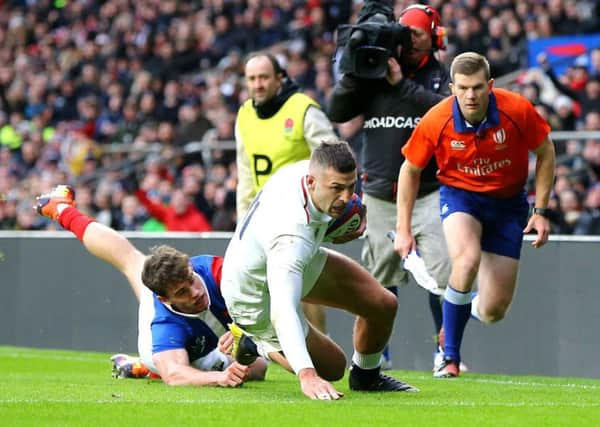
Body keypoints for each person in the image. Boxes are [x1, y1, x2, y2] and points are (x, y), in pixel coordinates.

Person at [394, 52, 556, 378]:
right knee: (466, 262)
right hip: (460, 198)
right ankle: (448, 356)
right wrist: (403, 228)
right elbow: (409, 169)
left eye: (478, 87)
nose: (471, 95)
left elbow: (546, 151)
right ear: (452, 87)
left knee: (494, 311)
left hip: (509, 205)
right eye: (464, 88)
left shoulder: (517, 110)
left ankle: (457, 309)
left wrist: (540, 211)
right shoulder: (436, 120)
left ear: (490, 85)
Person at [222, 140, 418, 400]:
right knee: (334, 366)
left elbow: (313, 219)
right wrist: (307, 375)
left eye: (351, 186)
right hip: (254, 294)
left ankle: (366, 377)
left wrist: (333, 227)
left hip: (277, 259)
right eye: (337, 188)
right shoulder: (291, 237)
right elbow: (283, 310)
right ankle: (254, 343)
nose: (346, 198)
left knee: (383, 304)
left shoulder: (309, 173)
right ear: (312, 181)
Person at [34, 185, 267, 387]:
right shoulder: (163, 320)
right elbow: (175, 375)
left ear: (190, 265)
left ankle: (61, 209)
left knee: (132, 259)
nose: (195, 292)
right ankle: (147, 366)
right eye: (182, 292)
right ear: (165, 299)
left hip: (213, 333)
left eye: (191, 280)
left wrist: (244, 330)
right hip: (182, 354)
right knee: (253, 367)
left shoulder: (215, 269)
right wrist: (219, 377)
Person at [327, 3, 452, 370]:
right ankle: (376, 353)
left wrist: (402, 85)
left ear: (433, 38)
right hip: (381, 191)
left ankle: (446, 350)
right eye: (407, 33)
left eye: (419, 35)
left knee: (442, 272)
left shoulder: (439, 77)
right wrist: (353, 70)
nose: (411, 42)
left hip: (428, 190)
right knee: (379, 278)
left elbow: (445, 115)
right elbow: (337, 111)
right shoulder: (373, 71)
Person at [236, 51, 338, 333]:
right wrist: (243, 218)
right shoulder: (244, 114)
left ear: (279, 78)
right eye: (252, 79)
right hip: (263, 214)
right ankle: (273, 350)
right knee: (262, 285)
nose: (257, 84)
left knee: (302, 287)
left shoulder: (303, 109)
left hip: (300, 212)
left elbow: (333, 156)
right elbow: (245, 171)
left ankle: (320, 349)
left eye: (264, 77)